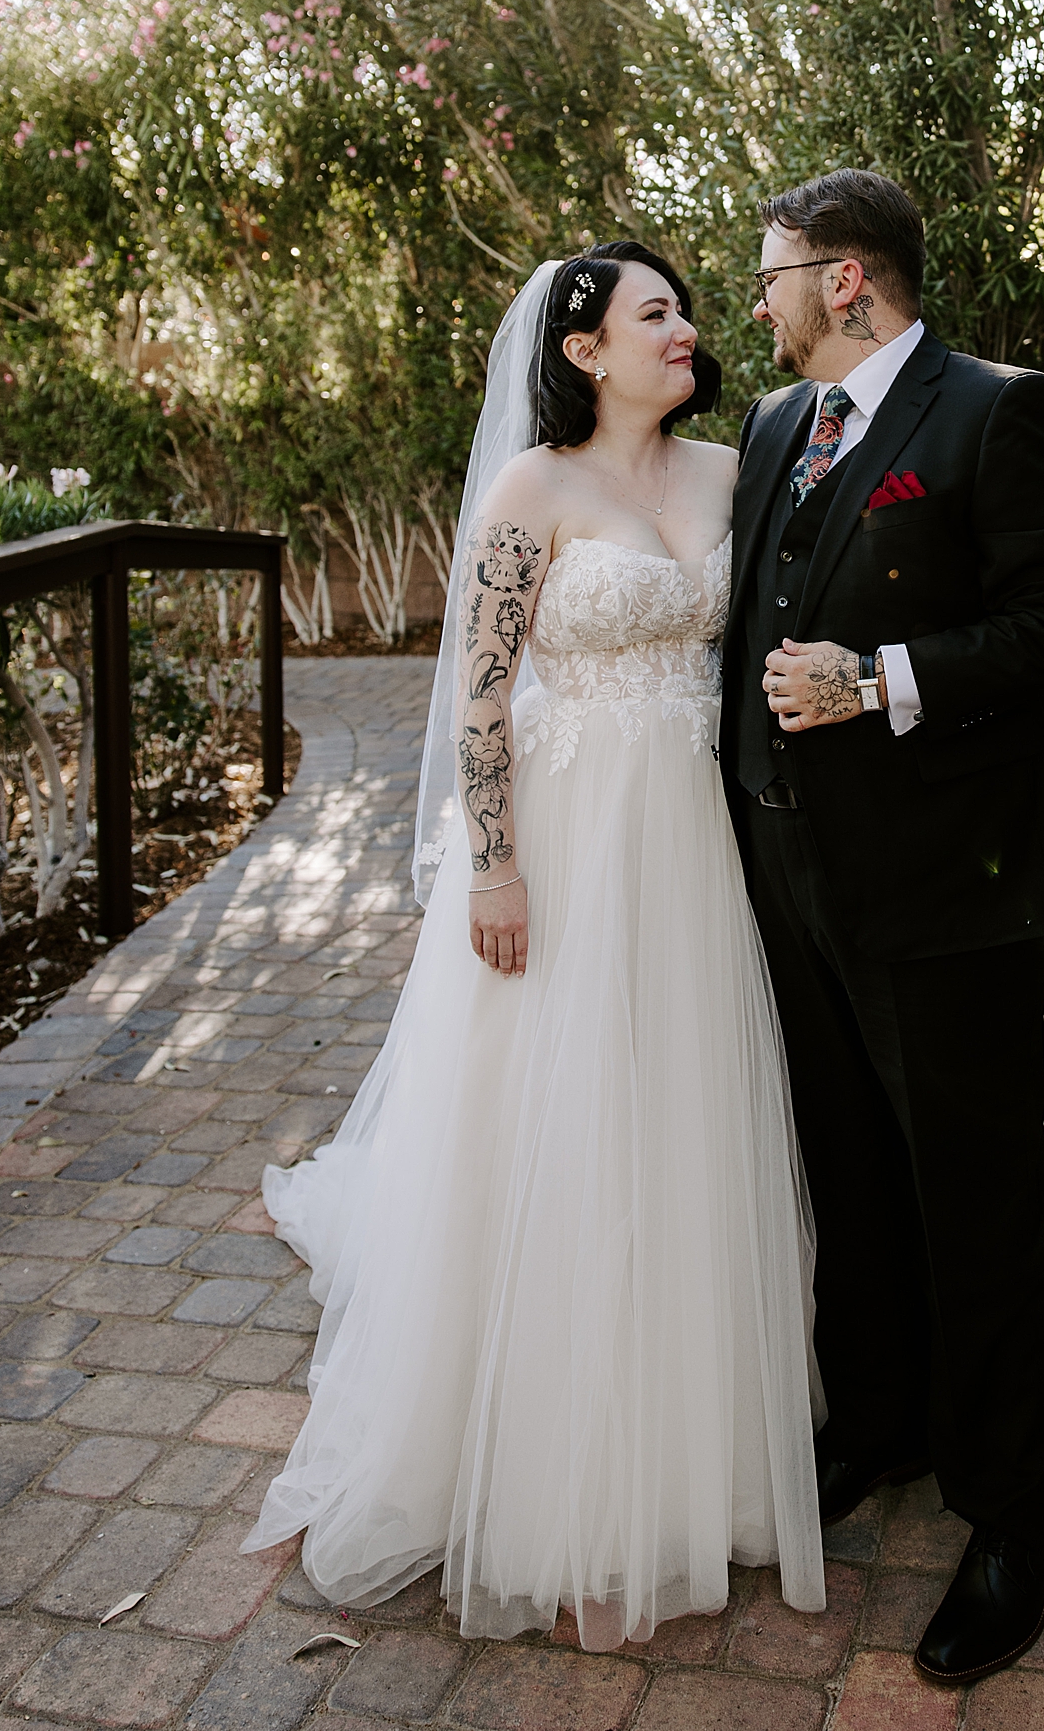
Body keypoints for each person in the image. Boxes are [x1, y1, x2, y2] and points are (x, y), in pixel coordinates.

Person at [243, 243, 826, 1650]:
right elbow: (482, 697)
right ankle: (537, 1464)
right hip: (558, 850)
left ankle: (689, 1439)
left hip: (688, 851)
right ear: (582, 350)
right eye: (655, 313)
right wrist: (492, 865)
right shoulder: (531, 491)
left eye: (686, 308)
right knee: (551, 1132)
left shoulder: (729, 473)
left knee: (671, 1120)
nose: (686, 328)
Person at [719, 170, 1044, 1688]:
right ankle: (873, 1425)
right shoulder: (771, 426)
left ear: (852, 279)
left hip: (951, 885)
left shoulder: (994, 410)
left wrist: (878, 678)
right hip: (790, 871)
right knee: (851, 1168)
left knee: (978, 1200)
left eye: (775, 276)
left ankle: (1024, 1517)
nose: (759, 300)